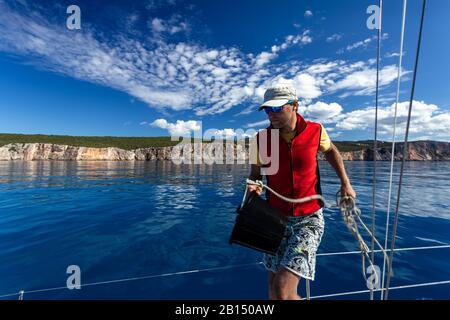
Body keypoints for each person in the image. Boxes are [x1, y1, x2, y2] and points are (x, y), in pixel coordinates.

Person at [247, 84, 356, 300]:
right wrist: (254, 186)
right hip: (274, 219)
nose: (271, 114)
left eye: (277, 109)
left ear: (294, 105)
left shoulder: (316, 130)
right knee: (272, 288)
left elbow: (332, 151)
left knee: (282, 288)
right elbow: (255, 175)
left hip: (308, 219)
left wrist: (345, 183)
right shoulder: (259, 139)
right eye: (268, 110)